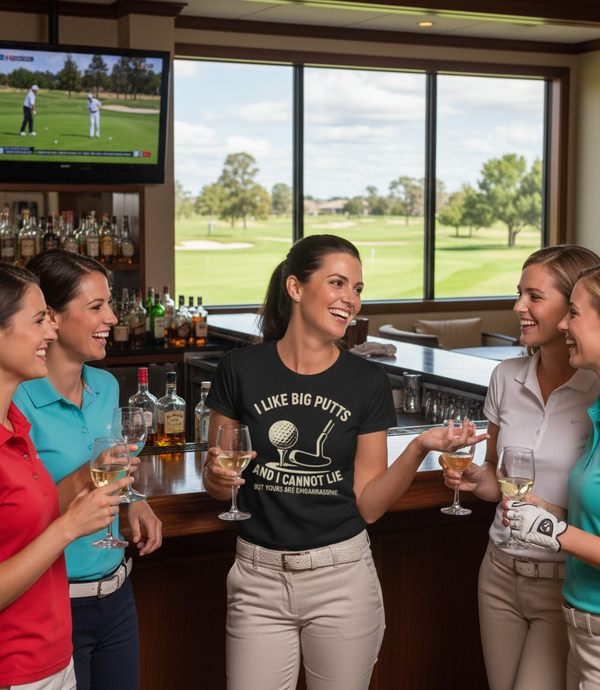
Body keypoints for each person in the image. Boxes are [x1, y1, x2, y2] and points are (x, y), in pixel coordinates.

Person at [203, 233, 487, 690]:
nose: (350, 300)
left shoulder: (367, 380)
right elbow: (217, 482)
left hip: (342, 580)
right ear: (295, 288)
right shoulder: (239, 368)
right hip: (256, 579)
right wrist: (217, 476)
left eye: (357, 289)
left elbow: (370, 506)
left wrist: (418, 448)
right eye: (338, 283)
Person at [442, 245, 600, 690]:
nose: (518, 308)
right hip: (498, 571)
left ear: (571, 308)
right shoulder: (504, 377)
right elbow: (499, 478)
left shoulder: (597, 389)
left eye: (534, 296)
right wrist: (477, 479)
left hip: (564, 581)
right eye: (519, 294)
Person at [12, 249, 162, 690]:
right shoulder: (14, 401)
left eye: (109, 304)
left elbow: (111, 469)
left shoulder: (106, 384)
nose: (113, 318)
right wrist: (86, 477)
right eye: (96, 307)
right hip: (53, 605)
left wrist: (134, 499)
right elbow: (23, 510)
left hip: (117, 594)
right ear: (51, 318)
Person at [506, 263, 600, 689]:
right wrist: (552, 510)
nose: (564, 324)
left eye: (575, 313)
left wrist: (553, 530)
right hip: (580, 623)